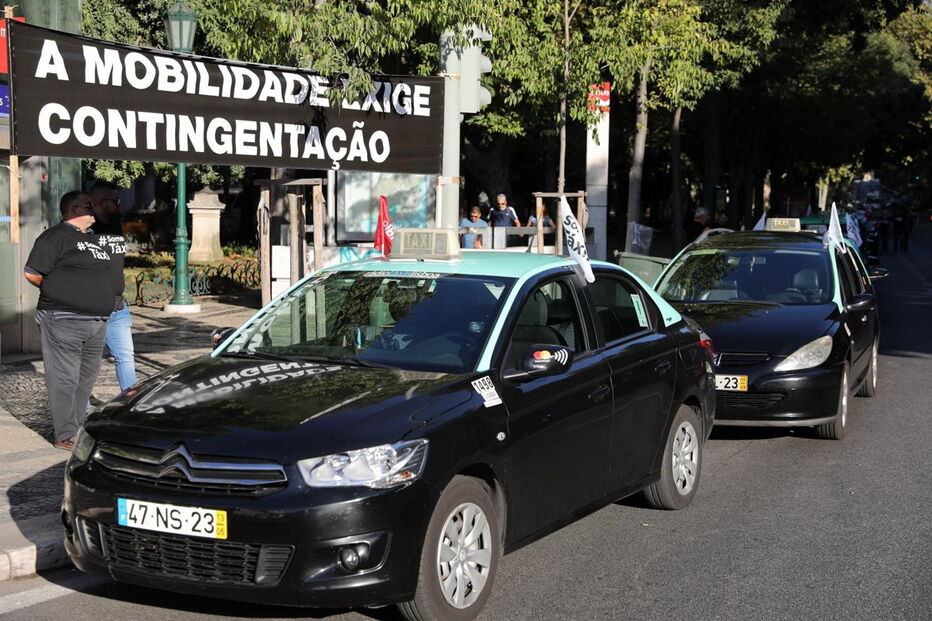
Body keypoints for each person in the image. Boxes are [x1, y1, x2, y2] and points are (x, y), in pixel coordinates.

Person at [23, 191, 126, 450]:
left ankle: (78, 426)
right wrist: (60, 291)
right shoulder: (54, 237)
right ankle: (65, 434)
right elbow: (32, 273)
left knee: (86, 378)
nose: (94, 210)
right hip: (63, 319)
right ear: (73, 210)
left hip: (96, 321)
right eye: (88, 206)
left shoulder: (93, 238)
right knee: (64, 378)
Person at [89, 181, 137, 394]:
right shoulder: (85, 228)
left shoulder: (114, 222)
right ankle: (83, 407)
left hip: (117, 307)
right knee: (87, 361)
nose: (119, 205)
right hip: (90, 309)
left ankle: (131, 401)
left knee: (125, 356)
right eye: (116, 201)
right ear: (101, 202)